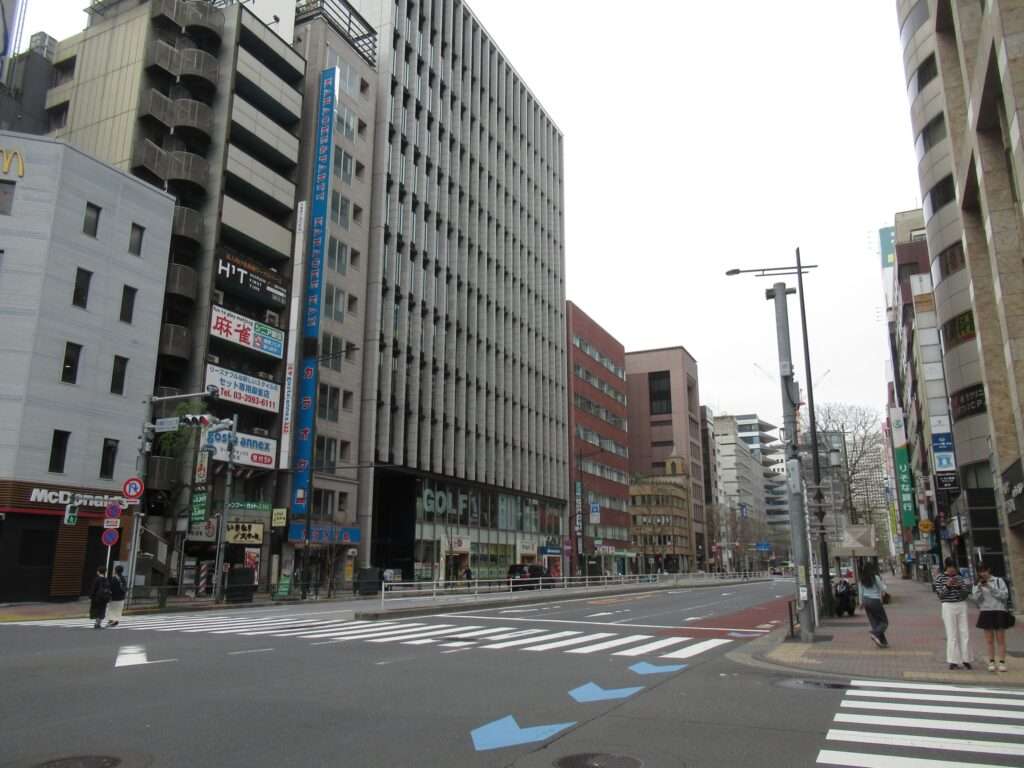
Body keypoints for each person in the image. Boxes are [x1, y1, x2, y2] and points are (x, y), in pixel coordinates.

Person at [934, 557, 972, 670]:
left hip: (961, 605)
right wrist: (947, 586)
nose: (952, 570)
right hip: (948, 606)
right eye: (950, 568)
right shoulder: (940, 578)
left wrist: (959, 587)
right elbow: (940, 595)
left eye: (954, 568)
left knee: (965, 632)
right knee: (952, 634)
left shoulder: (960, 577)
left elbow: (966, 594)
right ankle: (953, 660)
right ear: (946, 567)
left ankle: (967, 659)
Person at [972, 562, 1011, 673]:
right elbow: (976, 599)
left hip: (999, 611)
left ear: (989, 570)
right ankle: (991, 661)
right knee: (989, 640)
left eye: (984, 571)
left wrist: (989, 587)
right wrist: (979, 587)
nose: (982, 573)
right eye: (980, 571)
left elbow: (1004, 596)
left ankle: (1002, 662)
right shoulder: (977, 583)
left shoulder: (998, 581)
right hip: (986, 612)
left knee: (1001, 640)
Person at [858, 561, 889, 647]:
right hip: (875, 601)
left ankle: (883, 642)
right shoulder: (875, 578)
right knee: (884, 622)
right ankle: (875, 634)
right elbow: (883, 588)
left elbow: (861, 592)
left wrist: (861, 603)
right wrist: (885, 587)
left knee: (875, 623)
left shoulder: (862, 579)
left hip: (866, 602)